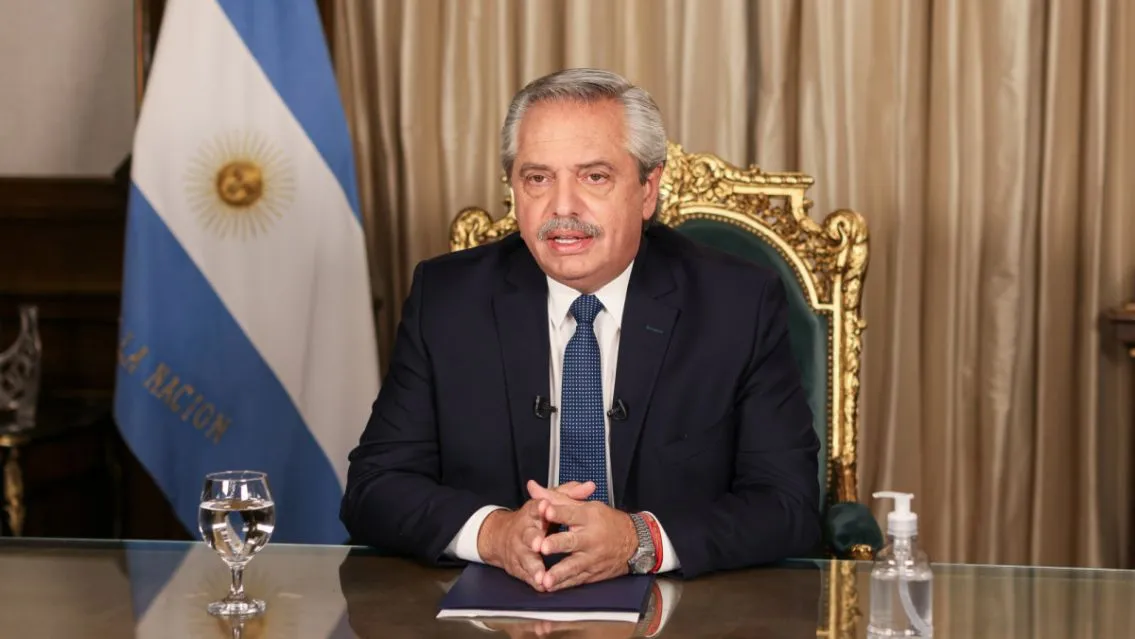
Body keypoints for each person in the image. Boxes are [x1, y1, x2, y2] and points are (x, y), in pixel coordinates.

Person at [340, 68, 821, 591]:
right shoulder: (448, 299)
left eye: (594, 177)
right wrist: (494, 534)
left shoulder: (737, 304)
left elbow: (788, 504)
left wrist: (639, 540)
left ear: (647, 190)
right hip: (494, 608)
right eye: (537, 178)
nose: (562, 207)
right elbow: (374, 489)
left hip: (680, 608)